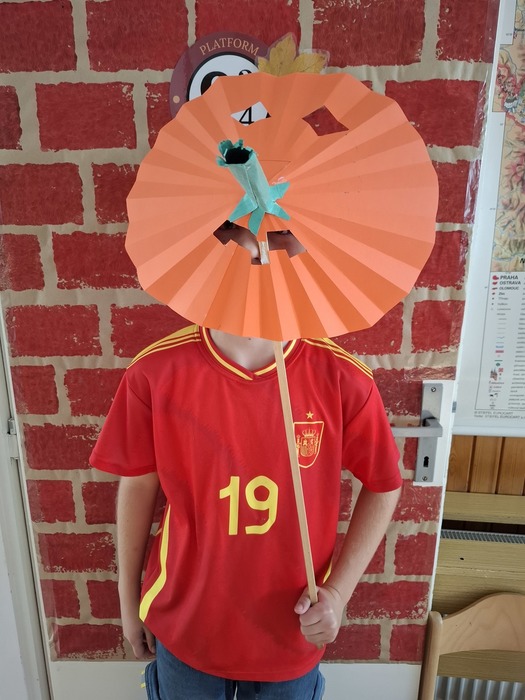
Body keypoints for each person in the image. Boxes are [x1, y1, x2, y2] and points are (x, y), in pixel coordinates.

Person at [90, 223, 402, 700]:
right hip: (186, 628)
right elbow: (138, 484)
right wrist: (127, 599)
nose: (261, 256)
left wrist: (338, 593)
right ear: (212, 247)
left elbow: (383, 484)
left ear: (305, 250)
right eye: (241, 237)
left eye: (280, 239)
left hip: (291, 632)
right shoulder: (155, 372)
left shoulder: (343, 378)